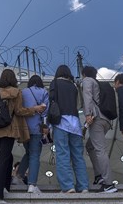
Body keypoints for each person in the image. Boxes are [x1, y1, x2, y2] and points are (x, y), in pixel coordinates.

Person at [0, 69, 46, 204]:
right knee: (3, 160)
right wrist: (34, 109)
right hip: (7, 130)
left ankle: (5, 188)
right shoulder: (16, 92)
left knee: (8, 158)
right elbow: (19, 111)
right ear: (13, 79)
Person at [49, 65, 89, 193]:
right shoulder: (74, 87)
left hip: (61, 122)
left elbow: (51, 101)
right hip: (75, 123)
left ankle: (68, 186)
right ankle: (83, 186)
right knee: (78, 156)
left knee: (62, 154)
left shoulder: (54, 83)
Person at [81, 65, 117, 193]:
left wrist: (88, 115)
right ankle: (99, 177)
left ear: (84, 74)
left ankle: (108, 184)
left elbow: (87, 96)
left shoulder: (87, 81)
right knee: (90, 146)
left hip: (96, 118)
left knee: (100, 150)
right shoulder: (101, 84)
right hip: (106, 120)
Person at [17, 75, 49, 193]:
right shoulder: (44, 92)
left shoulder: (23, 92)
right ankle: (32, 184)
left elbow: (18, 109)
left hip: (24, 129)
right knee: (35, 154)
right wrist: (46, 127)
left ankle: (19, 175)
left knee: (28, 152)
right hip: (37, 128)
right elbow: (45, 112)